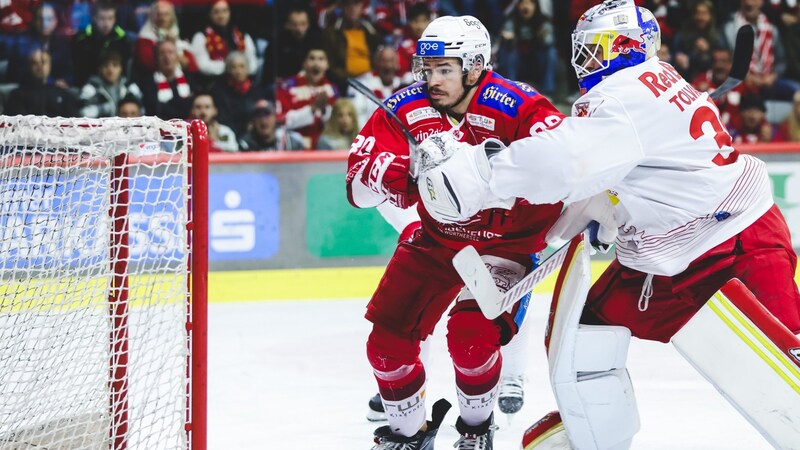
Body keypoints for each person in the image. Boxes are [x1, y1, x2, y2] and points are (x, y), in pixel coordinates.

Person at [416, 1, 800, 445]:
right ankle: (595, 437)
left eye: (595, 49)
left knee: (786, 375)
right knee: (584, 345)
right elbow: (601, 175)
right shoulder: (646, 83)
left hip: (734, 242)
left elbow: (566, 161)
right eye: (582, 49)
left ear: (627, 47)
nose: (585, 61)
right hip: (664, 254)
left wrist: (480, 175)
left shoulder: (624, 96)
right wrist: (595, 214)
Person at [345, 15, 565, 449]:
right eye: (426, 69)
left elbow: (566, 163)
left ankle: (477, 430)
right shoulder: (405, 107)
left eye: (444, 69)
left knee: (470, 339)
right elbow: (357, 186)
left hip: (507, 246)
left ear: (476, 66)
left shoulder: (517, 105)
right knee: (386, 346)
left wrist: (498, 174)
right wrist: (412, 170)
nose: (432, 80)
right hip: (436, 239)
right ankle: (409, 436)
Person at [275, 47, 338, 149]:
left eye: (321, 59)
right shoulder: (287, 86)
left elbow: (338, 122)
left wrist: (324, 111)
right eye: (312, 58)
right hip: (294, 145)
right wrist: (311, 110)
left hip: (323, 147)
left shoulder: (333, 89)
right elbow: (282, 120)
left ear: (327, 65)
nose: (316, 63)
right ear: (304, 63)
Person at [71, 1, 132, 87]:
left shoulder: (123, 39)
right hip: (88, 86)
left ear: (115, 19)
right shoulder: (82, 39)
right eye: (102, 18)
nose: (106, 23)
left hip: (117, 86)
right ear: (94, 18)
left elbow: (126, 70)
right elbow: (78, 69)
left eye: (110, 18)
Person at [5, 49, 79, 117]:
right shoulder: (17, 94)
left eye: (43, 62)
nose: (39, 66)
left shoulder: (63, 94)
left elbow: (76, 123)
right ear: (29, 66)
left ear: (50, 65)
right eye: (35, 63)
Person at [79, 49, 143, 118]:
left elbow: (142, 111)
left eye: (115, 65)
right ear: (100, 69)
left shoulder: (130, 87)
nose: (110, 70)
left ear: (121, 68)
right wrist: (107, 109)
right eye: (106, 66)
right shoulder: (90, 88)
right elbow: (82, 113)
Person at [237, 100, 306, 151]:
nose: (263, 120)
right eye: (259, 115)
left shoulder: (291, 142)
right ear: (253, 121)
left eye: (267, 114)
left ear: (275, 118)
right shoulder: (245, 145)